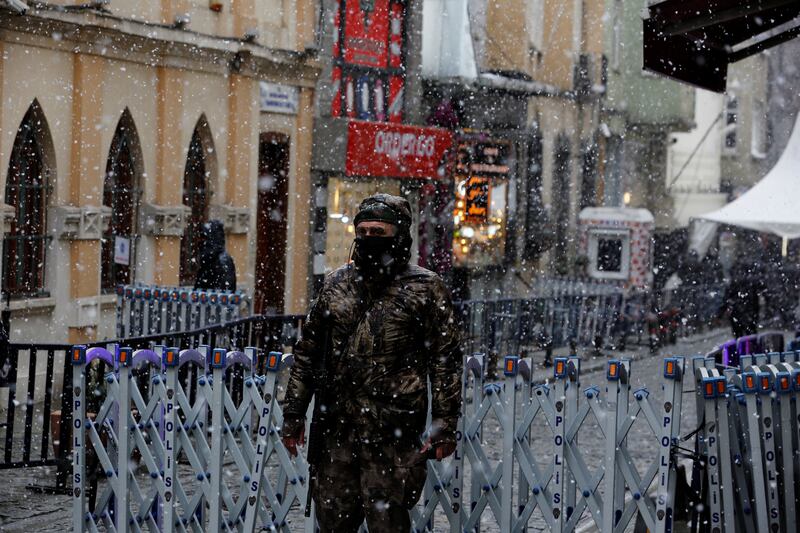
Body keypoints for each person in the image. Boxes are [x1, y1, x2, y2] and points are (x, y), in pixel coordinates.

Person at [281, 193, 463, 532]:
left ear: (400, 234)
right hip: (337, 429)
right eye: (362, 231)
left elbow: (445, 361)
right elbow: (307, 352)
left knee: (388, 523)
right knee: (333, 521)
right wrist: (293, 414)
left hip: (394, 434)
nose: (368, 239)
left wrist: (444, 424)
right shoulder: (336, 285)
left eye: (378, 232)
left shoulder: (426, 289)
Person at [194, 219, 236, 291]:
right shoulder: (207, 259)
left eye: (203, 237)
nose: (200, 240)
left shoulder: (223, 259)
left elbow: (224, 293)